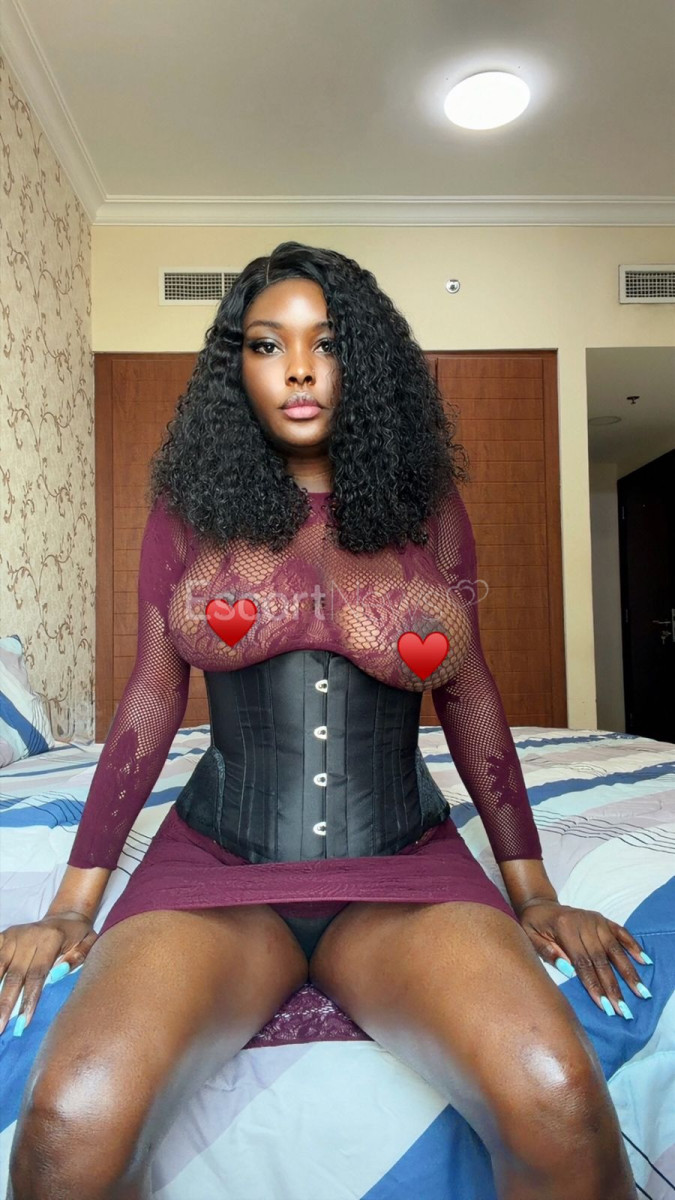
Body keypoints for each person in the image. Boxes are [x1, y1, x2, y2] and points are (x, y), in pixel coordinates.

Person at [1, 242, 644, 1200]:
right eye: (268, 344)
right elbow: (150, 696)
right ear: (238, 368)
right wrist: (69, 909)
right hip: (216, 867)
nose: (298, 369)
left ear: (363, 362)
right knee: (68, 1125)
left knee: (558, 1098)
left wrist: (534, 892)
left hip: (403, 866)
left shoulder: (426, 509)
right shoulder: (189, 507)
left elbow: (467, 691)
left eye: (326, 343)